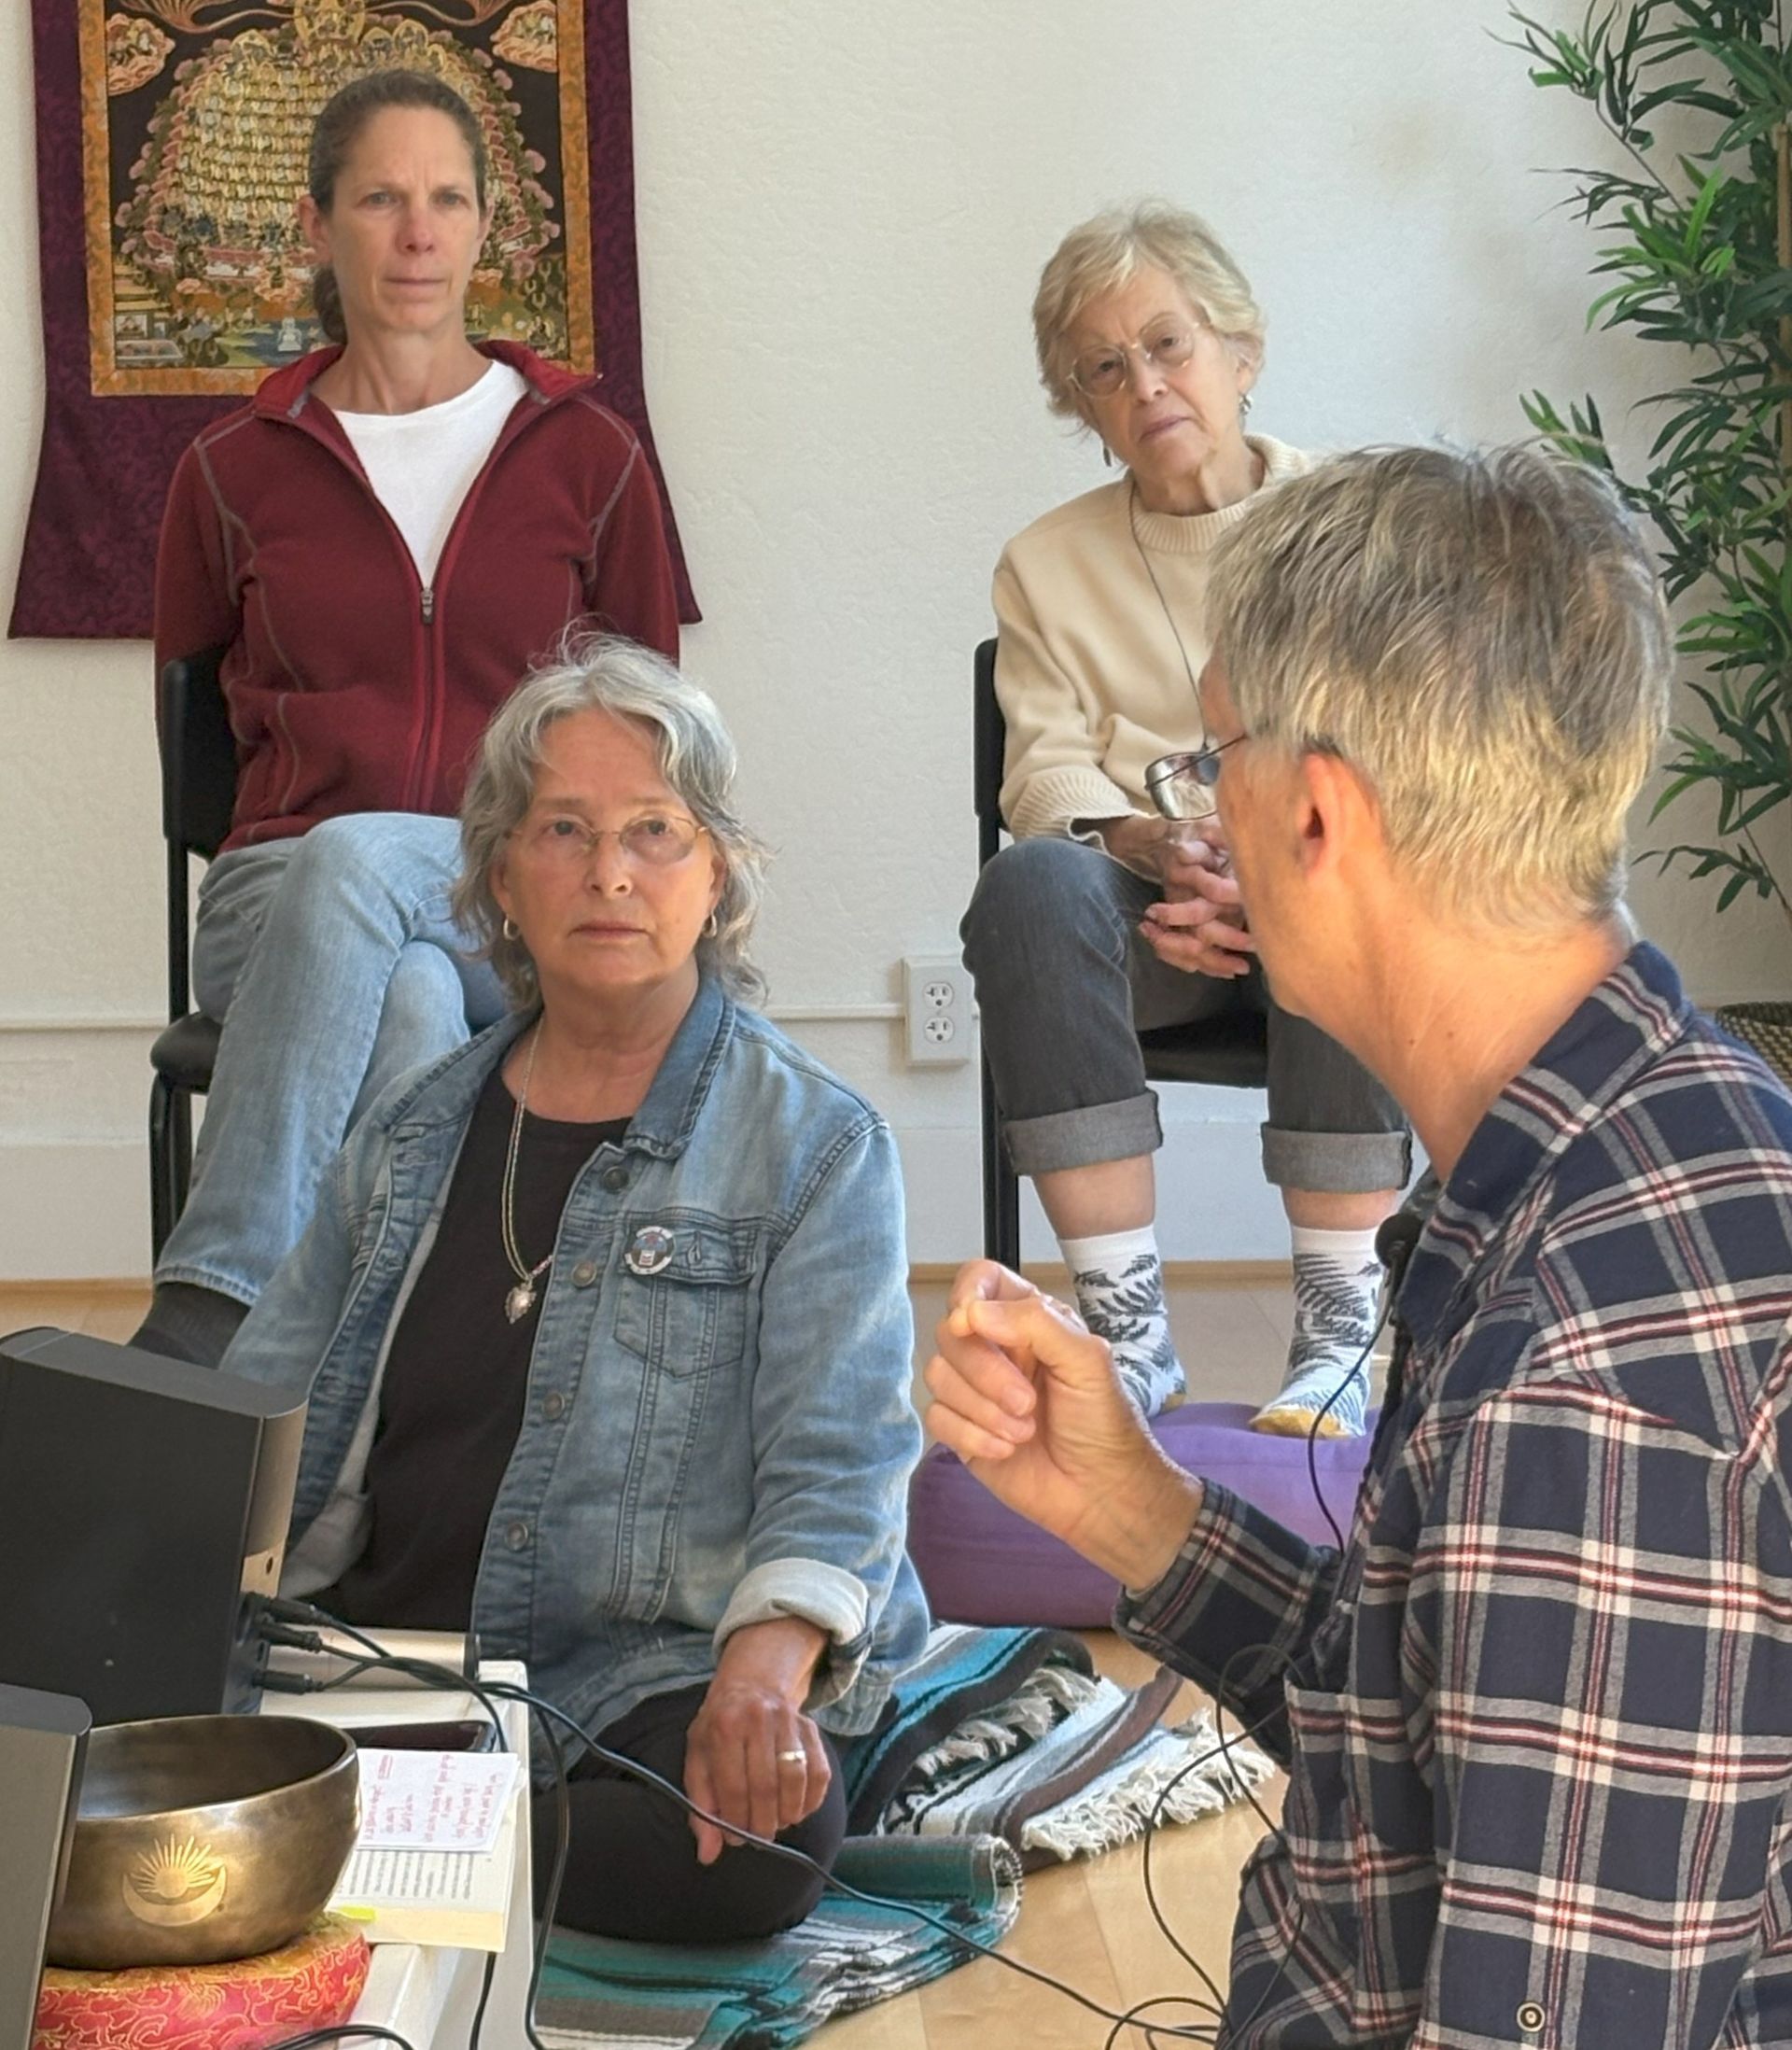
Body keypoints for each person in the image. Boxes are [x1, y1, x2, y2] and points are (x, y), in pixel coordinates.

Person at [929, 446, 1792, 2041]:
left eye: (1210, 763)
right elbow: (1432, 1709)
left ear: (1316, 813)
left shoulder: (1589, 1392)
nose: (1206, 808)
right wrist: (1147, 1512)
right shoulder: (1639, 1126)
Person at [222, 637, 929, 1941]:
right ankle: (399, 1838)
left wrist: (768, 1673)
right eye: (563, 830)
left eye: (656, 832)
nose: (610, 873)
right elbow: (264, 1402)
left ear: (717, 873)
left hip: (634, 1676)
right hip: (381, 1658)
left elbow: (845, 1456)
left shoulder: (817, 1145)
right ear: (500, 875)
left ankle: (337, 1843)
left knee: (760, 1849)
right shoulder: (410, 1131)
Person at [134, 68, 679, 1368]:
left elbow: (651, 733)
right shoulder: (230, 471)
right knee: (409, 993)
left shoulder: (590, 459)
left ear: (491, 227)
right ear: (320, 228)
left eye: (446, 199)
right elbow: (199, 731)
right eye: (382, 198)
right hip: (279, 900)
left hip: (520, 894)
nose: (418, 233)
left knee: (403, 928)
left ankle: (211, 1324)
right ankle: (394, 1405)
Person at [963, 204, 1407, 1430]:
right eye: (1104, 368)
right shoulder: (1046, 564)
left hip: (1324, 921)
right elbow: (1046, 777)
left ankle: (1339, 1324)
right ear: (1084, 407)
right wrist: (1155, 847)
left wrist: (1272, 871)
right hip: (1156, 929)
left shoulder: (1358, 523)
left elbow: (1413, 748)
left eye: (1169, 344)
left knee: (1349, 878)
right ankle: (1127, 1333)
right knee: (1030, 885)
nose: (1144, 383)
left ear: (1242, 350)